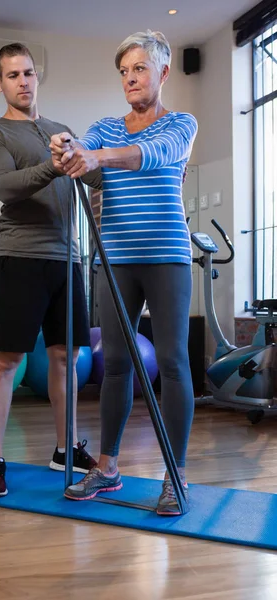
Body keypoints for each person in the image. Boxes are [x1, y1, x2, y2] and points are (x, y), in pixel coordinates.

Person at [50, 30, 198, 515]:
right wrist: (67, 146)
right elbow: (83, 146)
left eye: (139, 68)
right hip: (114, 259)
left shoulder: (180, 124)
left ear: (162, 72)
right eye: (124, 71)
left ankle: (175, 476)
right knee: (114, 363)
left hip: (167, 256)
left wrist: (96, 157)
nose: (131, 78)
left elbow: (150, 156)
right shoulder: (106, 128)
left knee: (174, 363)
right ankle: (108, 466)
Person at [0, 43, 102, 497]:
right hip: (20, 258)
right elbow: (4, 187)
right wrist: (51, 165)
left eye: (28, 73)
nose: (23, 81)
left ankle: (65, 450)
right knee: (7, 360)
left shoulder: (61, 131)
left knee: (66, 357)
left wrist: (103, 164)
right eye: (12, 75)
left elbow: (93, 176)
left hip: (67, 259)